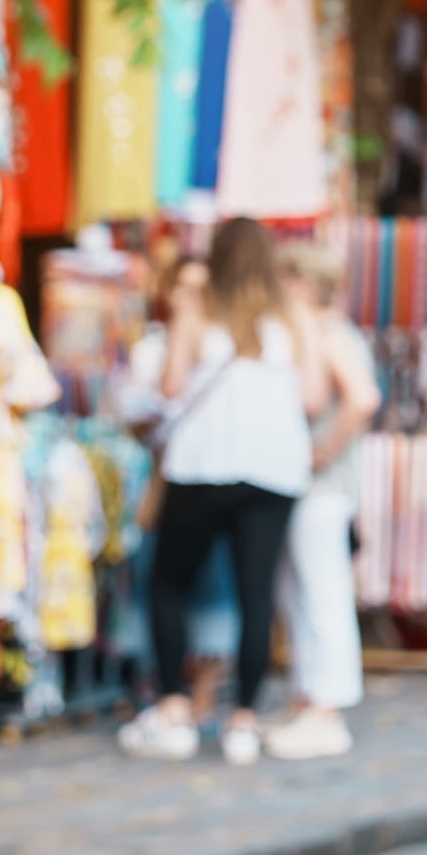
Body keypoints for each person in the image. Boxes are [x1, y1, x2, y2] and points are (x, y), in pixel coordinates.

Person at [119, 220, 315, 767]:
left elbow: (171, 386)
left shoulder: (198, 307)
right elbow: (315, 394)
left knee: (169, 583)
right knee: (257, 592)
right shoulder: (291, 313)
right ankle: (243, 720)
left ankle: (177, 708)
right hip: (273, 469)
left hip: (204, 463)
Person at [266, 245, 380, 760]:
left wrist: (321, 452)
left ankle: (326, 709)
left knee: (320, 592)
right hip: (314, 486)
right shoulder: (319, 331)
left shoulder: (330, 332)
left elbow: (362, 398)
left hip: (323, 487)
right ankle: (310, 699)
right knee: (303, 592)